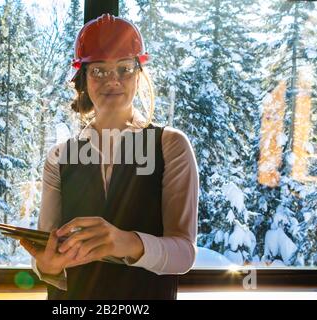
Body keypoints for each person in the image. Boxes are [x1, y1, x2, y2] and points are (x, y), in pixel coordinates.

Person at [20, 13, 199, 300]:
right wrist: (47, 265)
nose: (112, 80)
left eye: (124, 69)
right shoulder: (60, 156)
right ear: (84, 79)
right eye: (99, 71)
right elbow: (48, 250)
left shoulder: (170, 145)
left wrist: (124, 242)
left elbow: (184, 253)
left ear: (139, 75)